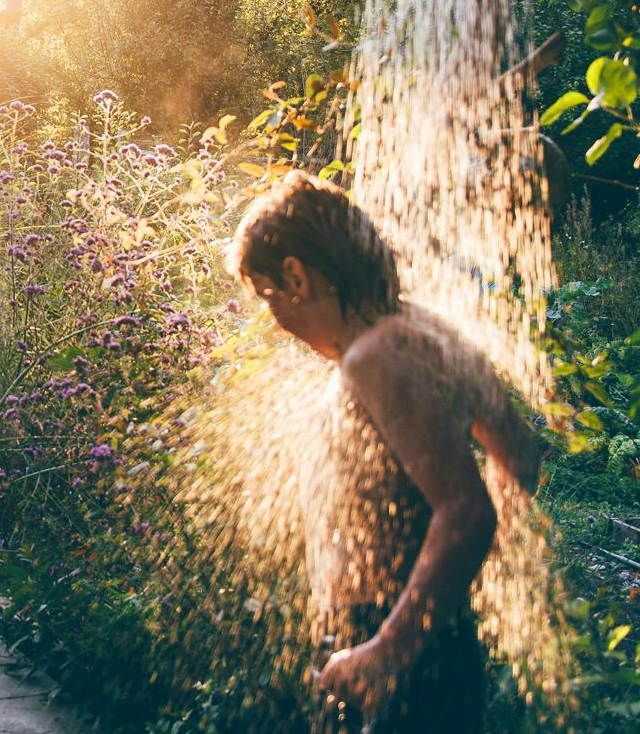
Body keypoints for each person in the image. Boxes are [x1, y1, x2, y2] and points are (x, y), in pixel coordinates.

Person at [227, 170, 544, 732]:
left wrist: (388, 649)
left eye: (268, 295)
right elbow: (519, 455)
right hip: (425, 646)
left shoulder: (376, 356)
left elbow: (467, 512)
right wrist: (442, 588)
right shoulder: (422, 328)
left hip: (392, 652)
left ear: (296, 277)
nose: (275, 322)